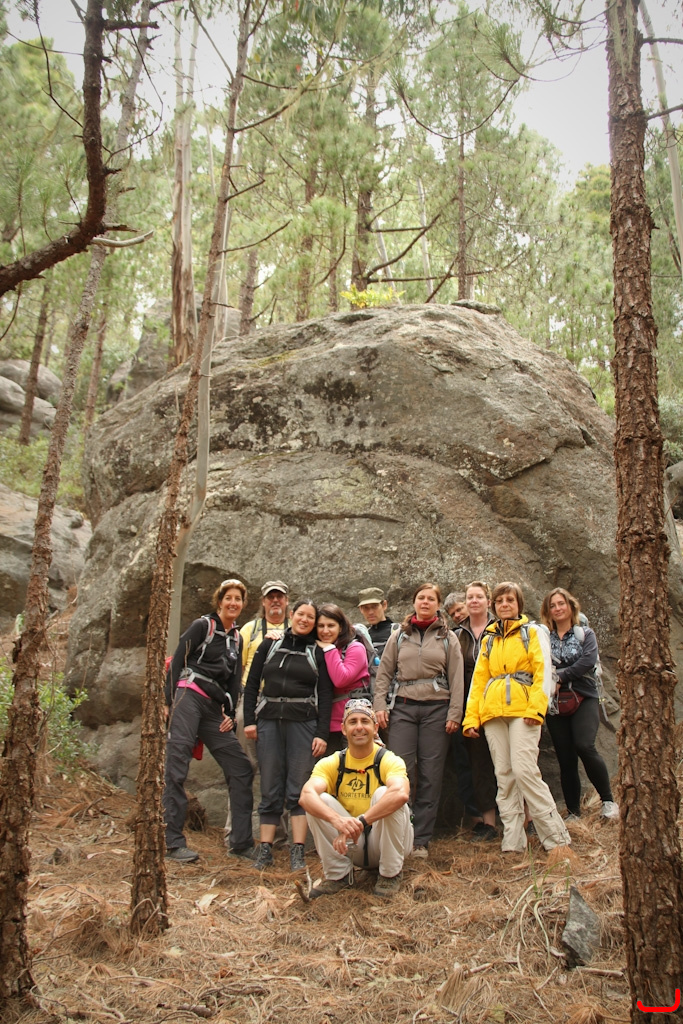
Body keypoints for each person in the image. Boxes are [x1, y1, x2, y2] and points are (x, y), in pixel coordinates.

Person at [462, 582, 570, 854]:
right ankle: (513, 840)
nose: (505, 605)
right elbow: (479, 681)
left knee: (525, 771)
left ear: (519, 604)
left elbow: (543, 671)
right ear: (494, 606)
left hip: (524, 711)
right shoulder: (489, 639)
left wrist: (537, 709)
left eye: (510, 600)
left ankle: (556, 838)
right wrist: (471, 718)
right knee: (504, 775)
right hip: (492, 713)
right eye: (500, 601)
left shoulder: (532, 632)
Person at [164, 579, 254, 863]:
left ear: (243, 604)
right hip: (188, 696)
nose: (233, 603)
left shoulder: (237, 639)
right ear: (219, 601)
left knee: (241, 767)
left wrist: (231, 715)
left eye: (238, 599)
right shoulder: (203, 626)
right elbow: (178, 659)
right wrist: (166, 701)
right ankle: (172, 842)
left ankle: (241, 843)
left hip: (213, 708)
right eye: (228, 598)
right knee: (177, 762)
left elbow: (234, 682)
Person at [374, 582, 464, 859]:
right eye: (421, 598)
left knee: (430, 774)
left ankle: (420, 840)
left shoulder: (448, 637)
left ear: (438, 605)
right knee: (400, 771)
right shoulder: (399, 635)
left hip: (437, 710)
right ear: (414, 603)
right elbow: (384, 673)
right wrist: (379, 705)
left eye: (430, 599)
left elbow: (457, 678)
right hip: (403, 708)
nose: (425, 602)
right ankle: (400, 833)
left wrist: (455, 713)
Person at [243, 597, 333, 872]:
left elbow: (325, 694)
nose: (304, 620)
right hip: (269, 721)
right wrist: (250, 721)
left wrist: (321, 733)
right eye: (301, 614)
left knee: (298, 787)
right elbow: (252, 684)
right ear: (291, 614)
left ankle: (297, 850)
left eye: (310, 617)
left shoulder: (317, 651)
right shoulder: (269, 645)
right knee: (269, 785)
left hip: (303, 724)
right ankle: (265, 849)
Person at [299, 698, 412, 899]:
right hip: (352, 844)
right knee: (318, 800)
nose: (359, 727)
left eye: (365, 721)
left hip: (387, 841)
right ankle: (338, 875)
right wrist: (337, 821)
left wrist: (361, 822)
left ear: (375, 727)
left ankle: (390, 874)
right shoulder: (333, 762)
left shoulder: (388, 759)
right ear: (343, 729)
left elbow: (401, 793)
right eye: (353, 722)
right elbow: (306, 796)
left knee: (385, 794)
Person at [540, 587, 619, 820]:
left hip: (584, 696)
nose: (557, 609)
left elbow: (587, 661)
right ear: (547, 611)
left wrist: (559, 677)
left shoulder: (585, 633)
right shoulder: (544, 637)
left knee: (585, 746)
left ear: (570, 606)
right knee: (565, 757)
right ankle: (574, 811)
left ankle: (608, 801)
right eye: (552, 606)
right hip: (555, 702)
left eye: (561, 603)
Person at [455, 581, 499, 841]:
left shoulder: (500, 628)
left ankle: (526, 817)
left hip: (498, 701)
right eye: (470, 597)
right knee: (479, 763)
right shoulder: (457, 634)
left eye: (479, 597)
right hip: (468, 705)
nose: (474, 601)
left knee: (509, 761)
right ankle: (488, 823)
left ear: (488, 602)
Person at [316, 603, 371, 754]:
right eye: (321, 626)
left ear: (340, 627)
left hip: (353, 721)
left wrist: (329, 649)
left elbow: (341, 679)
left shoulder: (355, 648)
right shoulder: (317, 649)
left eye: (331, 625)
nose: (325, 631)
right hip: (327, 723)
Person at [357, 587, 397, 659]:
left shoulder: (397, 632)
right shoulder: (363, 636)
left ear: (384, 605)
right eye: (365, 608)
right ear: (361, 609)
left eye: (374, 606)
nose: (370, 612)